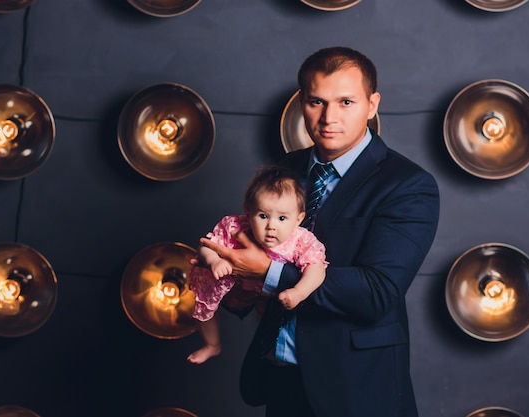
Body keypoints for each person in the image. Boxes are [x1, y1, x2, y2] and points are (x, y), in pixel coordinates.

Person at [199, 46, 440, 417]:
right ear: (301, 103)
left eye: (346, 102)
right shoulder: (286, 169)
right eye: (317, 102)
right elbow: (262, 251)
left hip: (355, 388)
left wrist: (267, 272)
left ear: (372, 105)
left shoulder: (407, 185)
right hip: (281, 378)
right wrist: (224, 276)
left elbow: (378, 291)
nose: (329, 117)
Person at [187, 165, 328, 364]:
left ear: (298, 219)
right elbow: (205, 246)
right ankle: (212, 345)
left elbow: (317, 268)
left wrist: (299, 292)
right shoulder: (235, 227)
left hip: (265, 290)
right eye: (263, 216)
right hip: (228, 279)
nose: (271, 226)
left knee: (269, 314)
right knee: (204, 309)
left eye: (282, 218)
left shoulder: (300, 240)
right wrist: (214, 260)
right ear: (248, 211)